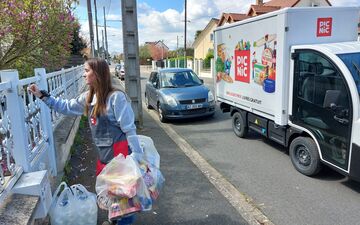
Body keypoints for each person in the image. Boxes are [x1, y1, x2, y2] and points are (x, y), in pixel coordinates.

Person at [28, 58, 141, 225]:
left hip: (121, 157)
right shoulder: (89, 98)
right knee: (111, 195)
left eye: (87, 70)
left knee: (125, 201)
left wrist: (137, 156)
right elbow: (64, 106)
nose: (83, 74)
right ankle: (115, 220)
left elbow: (129, 129)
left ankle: (122, 222)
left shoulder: (116, 98)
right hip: (104, 157)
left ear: (97, 73)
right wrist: (42, 95)